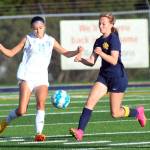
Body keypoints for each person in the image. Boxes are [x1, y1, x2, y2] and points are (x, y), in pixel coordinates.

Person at [0, 16, 82, 141]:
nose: (38, 31)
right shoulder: (28, 39)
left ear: (44, 27)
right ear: (32, 29)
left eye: (40, 28)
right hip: (26, 76)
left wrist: (76, 51)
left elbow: (65, 53)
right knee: (22, 111)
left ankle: (39, 133)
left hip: (41, 78)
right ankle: (5, 122)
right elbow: (10, 53)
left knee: (41, 103)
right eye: (35, 29)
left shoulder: (50, 40)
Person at [70, 13, 147, 141]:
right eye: (99, 23)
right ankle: (80, 131)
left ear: (111, 25)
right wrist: (81, 59)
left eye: (103, 23)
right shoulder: (98, 41)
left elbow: (114, 60)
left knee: (115, 113)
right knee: (90, 102)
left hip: (117, 78)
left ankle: (137, 112)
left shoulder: (114, 39)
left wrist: (101, 53)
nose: (101, 26)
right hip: (104, 77)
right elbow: (91, 61)